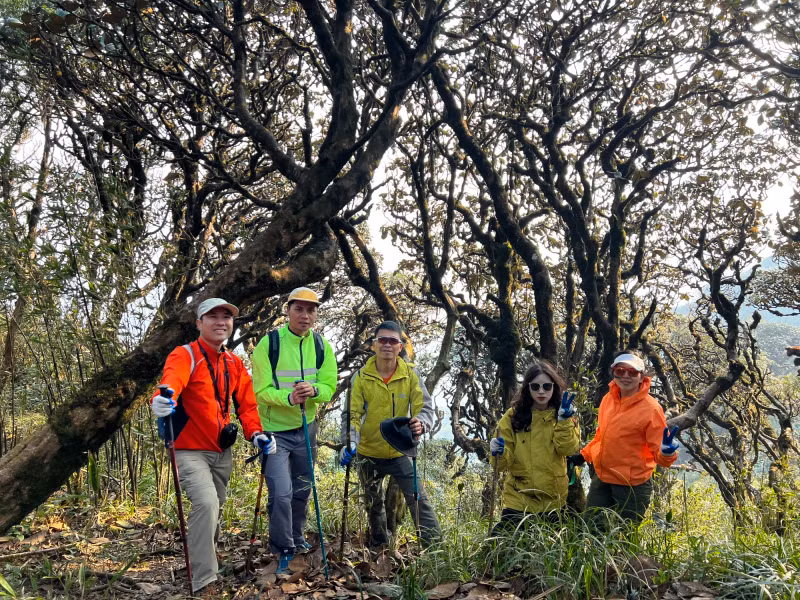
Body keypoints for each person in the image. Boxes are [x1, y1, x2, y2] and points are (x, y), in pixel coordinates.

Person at [151, 298, 275, 595]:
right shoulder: (185, 355)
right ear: (199, 323)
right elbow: (172, 383)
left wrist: (256, 434)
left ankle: (206, 556)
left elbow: (247, 404)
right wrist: (162, 400)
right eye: (213, 316)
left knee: (215, 507)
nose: (221, 322)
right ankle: (204, 580)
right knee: (206, 503)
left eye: (226, 317)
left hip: (221, 450)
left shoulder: (233, 362)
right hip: (189, 449)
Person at [251, 287, 337, 574]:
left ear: (316, 314)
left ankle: (297, 538)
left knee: (302, 488)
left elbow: (330, 386)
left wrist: (314, 390)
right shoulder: (270, 344)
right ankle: (282, 548)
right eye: (298, 309)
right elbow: (260, 391)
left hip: (306, 428)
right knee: (281, 492)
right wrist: (287, 397)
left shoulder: (322, 346)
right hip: (274, 432)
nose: (305, 315)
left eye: (311, 310)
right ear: (288, 310)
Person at [339, 321, 441, 548]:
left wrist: (421, 423)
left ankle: (436, 552)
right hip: (367, 451)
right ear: (373, 345)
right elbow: (351, 415)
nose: (387, 344)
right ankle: (380, 549)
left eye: (393, 341)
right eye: (382, 340)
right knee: (373, 504)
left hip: (400, 452)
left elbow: (424, 407)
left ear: (400, 346)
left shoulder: (410, 374)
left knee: (418, 500)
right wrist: (350, 442)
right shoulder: (360, 377)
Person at [569, 351, 680, 523]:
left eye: (633, 372)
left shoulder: (651, 409)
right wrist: (583, 455)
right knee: (591, 528)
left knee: (625, 534)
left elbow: (661, 457)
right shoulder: (608, 399)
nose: (626, 376)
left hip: (631, 486)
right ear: (614, 373)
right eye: (620, 371)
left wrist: (667, 453)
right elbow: (601, 437)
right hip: (602, 478)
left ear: (641, 376)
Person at [488, 361, 580, 530]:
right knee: (501, 543)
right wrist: (498, 452)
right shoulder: (512, 416)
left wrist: (564, 421)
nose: (541, 391)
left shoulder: (565, 414)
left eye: (547, 386)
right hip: (518, 498)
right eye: (535, 386)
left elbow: (568, 449)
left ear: (554, 387)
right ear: (527, 388)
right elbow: (500, 466)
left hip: (553, 499)